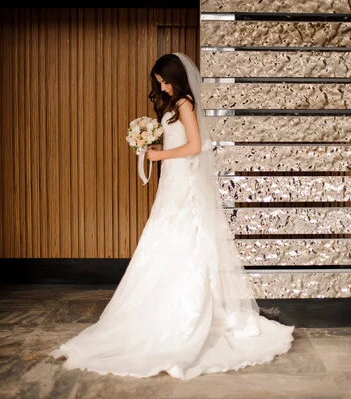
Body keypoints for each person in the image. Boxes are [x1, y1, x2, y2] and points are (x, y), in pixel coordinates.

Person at [48, 52, 295, 380]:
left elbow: (196, 145)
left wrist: (160, 152)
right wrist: (148, 142)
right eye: (159, 83)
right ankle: (156, 309)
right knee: (164, 236)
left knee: (182, 237)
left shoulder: (185, 104)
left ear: (177, 78)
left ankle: (184, 315)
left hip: (183, 180)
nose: (162, 88)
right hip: (172, 179)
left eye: (165, 81)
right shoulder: (173, 105)